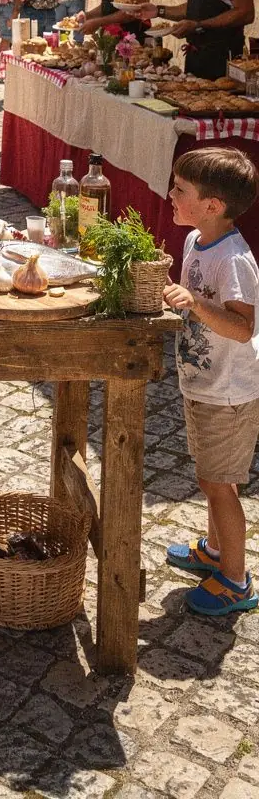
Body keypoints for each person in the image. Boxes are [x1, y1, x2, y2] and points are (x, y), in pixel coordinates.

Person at [163, 147, 259, 615]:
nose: (171, 194)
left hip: (229, 393)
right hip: (203, 383)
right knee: (212, 477)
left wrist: (195, 304)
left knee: (219, 483)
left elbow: (243, 327)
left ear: (212, 205)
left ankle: (237, 581)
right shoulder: (195, 240)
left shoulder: (234, 260)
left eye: (181, 189)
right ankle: (215, 552)